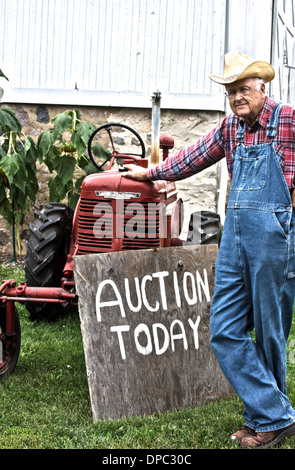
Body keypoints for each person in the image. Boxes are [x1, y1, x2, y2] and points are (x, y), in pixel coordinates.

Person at [123, 50, 295, 449]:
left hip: (275, 239)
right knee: (223, 330)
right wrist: (149, 173)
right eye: (231, 91)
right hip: (235, 241)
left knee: (271, 333)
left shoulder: (286, 118)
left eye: (243, 89)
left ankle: (264, 417)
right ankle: (276, 413)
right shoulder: (229, 128)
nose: (237, 97)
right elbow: (191, 157)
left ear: (261, 87)